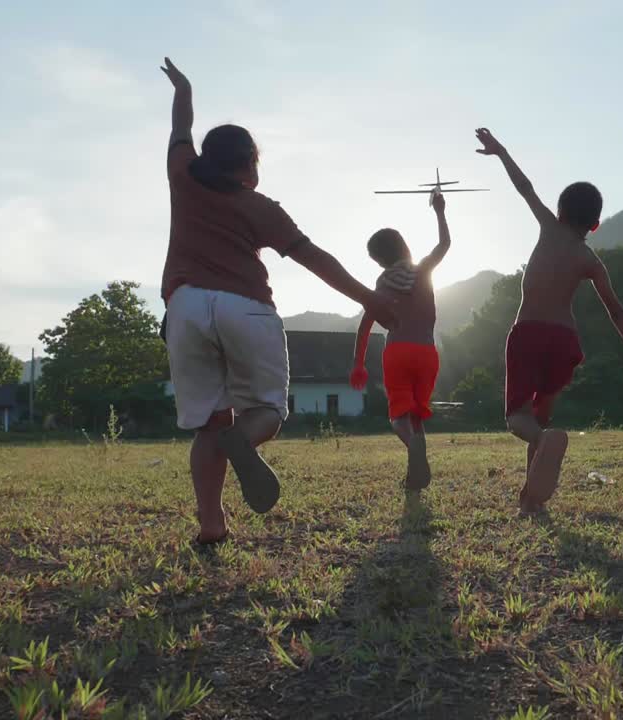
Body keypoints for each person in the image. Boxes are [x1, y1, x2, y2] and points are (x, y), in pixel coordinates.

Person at [159, 58, 396, 544]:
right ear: (250, 165)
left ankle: (211, 525)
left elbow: (180, 126)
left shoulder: (182, 174)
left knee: (208, 424)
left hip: (183, 308)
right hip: (244, 307)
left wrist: (183, 88)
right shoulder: (261, 208)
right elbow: (316, 260)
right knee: (267, 409)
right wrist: (372, 300)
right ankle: (244, 441)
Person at [474, 127, 623, 515]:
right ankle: (531, 501)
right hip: (565, 342)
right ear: (594, 225)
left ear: (559, 212)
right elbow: (617, 310)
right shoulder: (590, 260)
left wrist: (501, 151)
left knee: (518, 419)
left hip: (528, 333)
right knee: (540, 418)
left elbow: (524, 187)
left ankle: (543, 448)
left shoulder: (548, 226)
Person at [349, 189, 450, 491]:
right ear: (405, 246)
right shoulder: (424, 271)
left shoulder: (382, 283)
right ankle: (414, 471)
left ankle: (414, 451)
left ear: (378, 260)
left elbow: (366, 323)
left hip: (397, 352)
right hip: (427, 352)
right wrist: (439, 209)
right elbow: (444, 244)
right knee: (416, 415)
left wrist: (358, 364)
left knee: (398, 417)